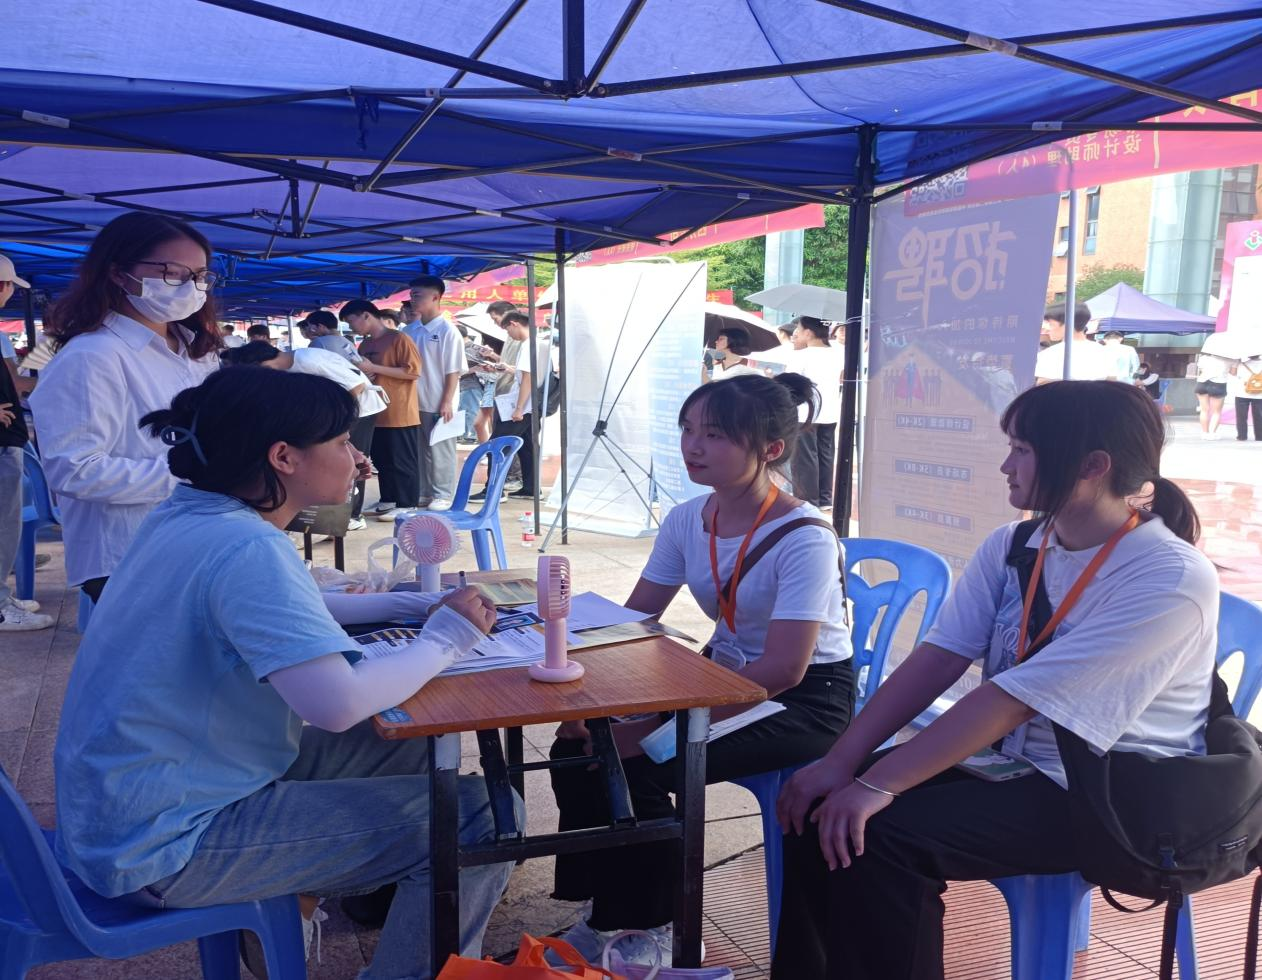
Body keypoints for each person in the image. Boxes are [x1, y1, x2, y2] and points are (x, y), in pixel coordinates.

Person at [53, 366, 516, 980]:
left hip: (133, 802)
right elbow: (336, 704)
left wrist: (413, 604)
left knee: (414, 744)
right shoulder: (247, 546)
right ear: (283, 458)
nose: (358, 459)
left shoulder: (187, 516)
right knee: (484, 816)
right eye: (343, 442)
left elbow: (288, 605)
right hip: (166, 843)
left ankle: (322, 896)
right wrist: (446, 639)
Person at [772, 380, 1216, 980]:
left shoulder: (1167, 576)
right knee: (814, 804)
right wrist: (840, 762)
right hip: (1014, 763)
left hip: (1107, 789)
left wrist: (878, 784)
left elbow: (1012, 701)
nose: (1006, 466)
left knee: (882, 836)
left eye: (1023, 450)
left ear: (1093, 466)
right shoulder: (1017, 545)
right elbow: (939, 658)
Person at [550, 372, 854, 966]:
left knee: (640, 760)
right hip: (724, 676)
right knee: (580, 745)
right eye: (688, 429)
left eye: (715, 435)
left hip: (803, 698)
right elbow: (634, 620)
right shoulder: (688, 518)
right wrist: (578, 683)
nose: (693, 446)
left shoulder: (805, 537)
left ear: (770, 448)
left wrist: (657, 726)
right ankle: (608, 910)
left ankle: (656, 929)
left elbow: (786, 669)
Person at [28, 212, 222, 606]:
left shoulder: (197, 351)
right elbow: (74, 469)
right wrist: (195, 474)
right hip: (130, 552)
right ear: (118, 273)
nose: (190, 287)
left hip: (202, 538)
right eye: (172, 273)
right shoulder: (91, 356)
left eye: (200, 276)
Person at [222, 341, 387, 530]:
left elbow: (356, 385)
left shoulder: (308, 360)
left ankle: (353, 515)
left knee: (351, 464)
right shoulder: (292, 367)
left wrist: (334, 420)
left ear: (261, 364)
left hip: (359, 411)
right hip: (335, 416)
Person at [0, 259, 53, 632]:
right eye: (9, 287)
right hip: (4, 440)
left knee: (8, 521)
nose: (11, 294)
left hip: (9, 438)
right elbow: (19, 384)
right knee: (3, 522)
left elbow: (14, 382)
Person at [338, 299, 423, 521]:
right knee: (382, 459)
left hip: (400, 411)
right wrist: (366, 373)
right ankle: (389, 499)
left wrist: (374, 367)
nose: (351, 326)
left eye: (351, 321)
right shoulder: (365, 343)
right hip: (374, 412)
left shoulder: (399, 338)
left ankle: (407, 503)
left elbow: (413, 372)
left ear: (366, 315)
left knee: (401, 460)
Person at [402, 275, 467, 511]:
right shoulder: (409, 330)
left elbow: (453, 370)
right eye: (411, 295)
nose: (412, 299)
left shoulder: (448, 331)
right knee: (419, 450)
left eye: (417, 295)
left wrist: (447, 401)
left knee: (441, 450)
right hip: (413, 402)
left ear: (436, 297)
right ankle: (424, 491)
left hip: (439, 400)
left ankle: (443, 494)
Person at [478, 312, 542, 501]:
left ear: (514, 324)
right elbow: (526, 374)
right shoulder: (538, 343)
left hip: (523, 405)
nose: (509, 334)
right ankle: (531, 488)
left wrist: (519, 408)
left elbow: (528, 378)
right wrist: (506, 368)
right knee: (527, 447)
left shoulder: (528, 345)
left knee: (497, 444)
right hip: (532, 405)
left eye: (507, 329)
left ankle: (493, 491)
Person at [787, 316, 843, 508]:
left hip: (805, 413)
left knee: (804, 459)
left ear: (808, 333)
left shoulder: (801, 355)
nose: (796, 333)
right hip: (830, 411)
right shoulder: (838, 352)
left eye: (799, 329)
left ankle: (808, 501)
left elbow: (790, 384)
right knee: (825, 455)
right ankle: (825, 499)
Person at [1034, 303, 1115, 382]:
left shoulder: (1050, 354)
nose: (1046, 329)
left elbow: (1043, 385)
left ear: (1067, 324)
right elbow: (1112, 381)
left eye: (1050, 324)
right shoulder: (1104, 352)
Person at [456, 323, 503, 445]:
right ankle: (473, 438)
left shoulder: (470, 349)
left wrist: (474, 369)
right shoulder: (475, 348)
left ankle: (471, 436)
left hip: (473, 384)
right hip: (477, 384)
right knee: (474, 413)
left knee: (472, 411)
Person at [1193, 347, 1233, 440]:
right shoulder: (1230, 359)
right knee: (1216, 412)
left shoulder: (1203, 358)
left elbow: (1201, 369)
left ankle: (1205, 433)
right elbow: (1233, 372)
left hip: (1202, 383)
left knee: (1204, 410)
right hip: (1218, 384)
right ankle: (1212, 433)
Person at [1231, 352, 1262, 441]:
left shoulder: (1242, 364)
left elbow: (1233, 373)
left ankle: (1242, 436)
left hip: (1242, 393)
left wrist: (1237, 362)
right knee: (1259, 416)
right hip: (1259, 394)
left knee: (1241, 416)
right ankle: (1259, 436)